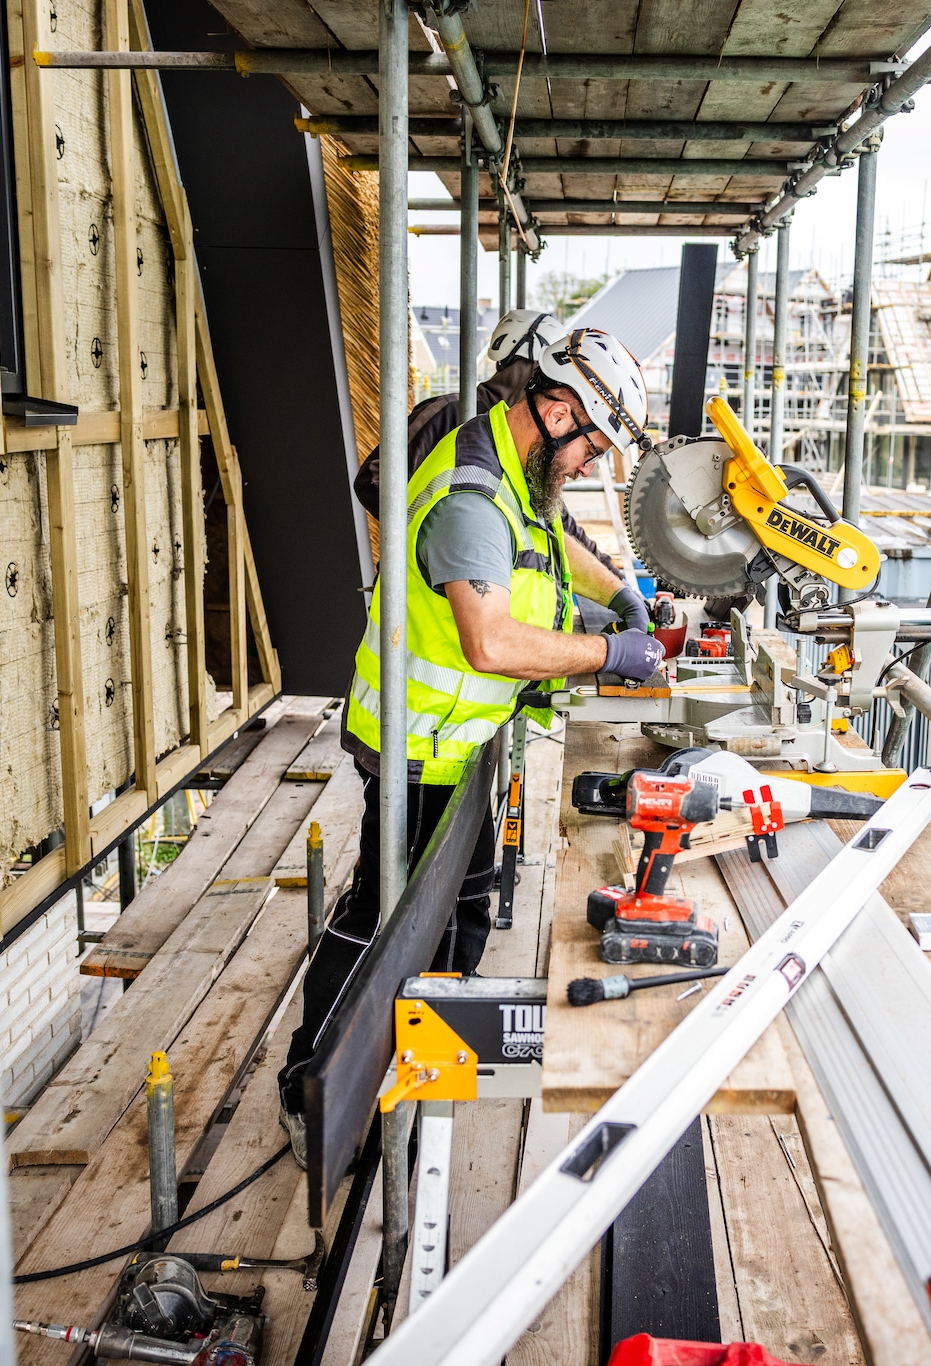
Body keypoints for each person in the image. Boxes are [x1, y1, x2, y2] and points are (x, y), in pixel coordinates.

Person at [279, 326, 664, 1157]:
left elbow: (547, 548)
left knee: (459, 910)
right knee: (382, 919)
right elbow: (490, 640)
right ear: (558, 411)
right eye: (593, 447)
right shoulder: (470, 496)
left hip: (459, 744)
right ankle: (314, 1090)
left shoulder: (509, 470)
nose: (592, 467)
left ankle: (420, 1068)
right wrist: (608, 651)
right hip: (419, 748)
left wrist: (618, 598)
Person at [352, 309, 649, 632]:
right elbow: (373, 478)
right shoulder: (450, 415)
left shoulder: (523, 444)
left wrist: (621, 589)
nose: (586, 470)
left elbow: (560, 529)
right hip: (429, 610)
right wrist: (438, 540)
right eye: (590, 453)